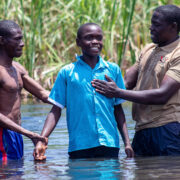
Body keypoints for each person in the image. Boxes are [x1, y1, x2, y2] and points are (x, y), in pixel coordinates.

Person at [34, 23, 134, 160]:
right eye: (89, 38)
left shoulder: (113, 70)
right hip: (80, 145)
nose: (95, 42)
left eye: (99, 38)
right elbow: (56, 110)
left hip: (110, 143)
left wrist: (127, 144)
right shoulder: (67, 73)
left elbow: (118, 109)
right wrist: (42, 139)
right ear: (78, 42)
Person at [91, 4, 180, 156]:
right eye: (151, 24)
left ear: (173, 27)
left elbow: (162, 95)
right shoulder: (149, 49)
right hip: (141, 129)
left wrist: (117, 92)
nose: (151, 28)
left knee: (168, 173)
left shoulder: (177, 53)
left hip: (167, 129)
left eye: (156, 25)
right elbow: (126, 83)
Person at [0, 20, 49, 160]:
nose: (22, 44)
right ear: (2, 40)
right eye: (17, 39)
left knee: (16, 172)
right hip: (2, 135)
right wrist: (30, 134)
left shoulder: (18, 69)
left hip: (16, 134)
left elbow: (44, 94)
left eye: (21, 39)